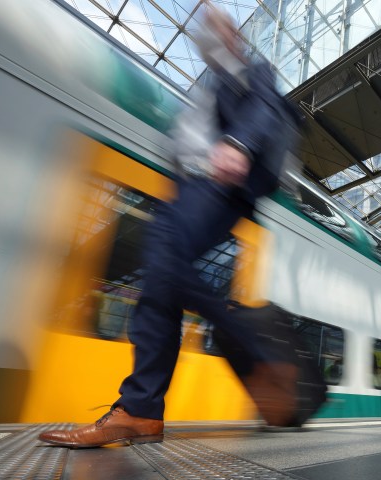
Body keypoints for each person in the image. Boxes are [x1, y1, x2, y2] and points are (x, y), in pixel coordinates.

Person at [38, 4, 300, 448]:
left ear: (233, 38)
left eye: (214, 33)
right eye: (202, 36)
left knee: (160, 247)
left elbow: (264, 109)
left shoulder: (253, 70)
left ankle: (151, 401)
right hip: (190, 190)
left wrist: (238, 144)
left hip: (222, 185)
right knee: (160, 287)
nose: (205, 42)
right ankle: (142, 412)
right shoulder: (209, 87)